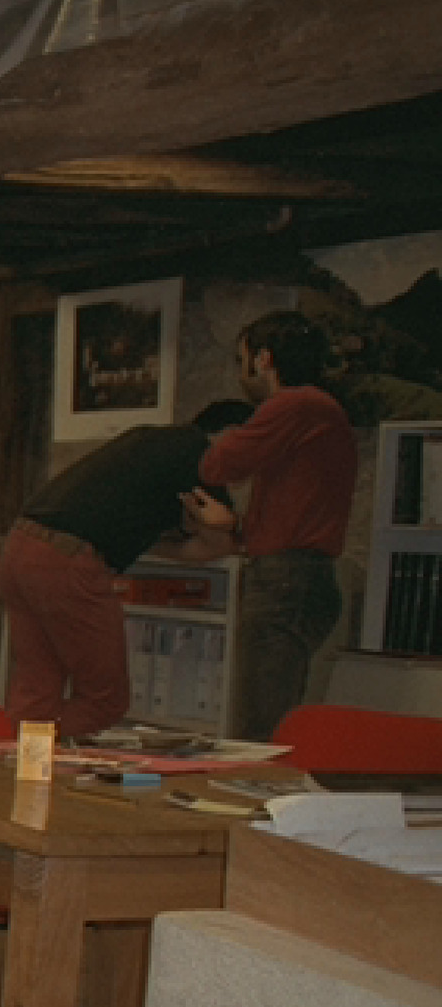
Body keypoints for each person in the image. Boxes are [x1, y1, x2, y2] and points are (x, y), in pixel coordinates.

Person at [0, 399, 255, 739]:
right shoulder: (201, 457)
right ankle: (41, 750)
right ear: (232, 435)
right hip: (68, 561)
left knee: (38, 686)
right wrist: (235, 526)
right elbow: (219, 541)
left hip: (22, 545)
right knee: (104, 700)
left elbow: (187, 542)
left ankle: (22, 759)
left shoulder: (149, 442)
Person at [182, 311, 357, 740]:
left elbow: (218, 465)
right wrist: (240, 527)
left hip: (286, 579)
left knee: (261, 728)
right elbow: (295, 505)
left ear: (263, 359)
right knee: (272, 716)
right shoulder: (319, 411)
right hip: (301, 575)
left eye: (241, 360)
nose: (241, 373)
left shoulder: (294, 405)